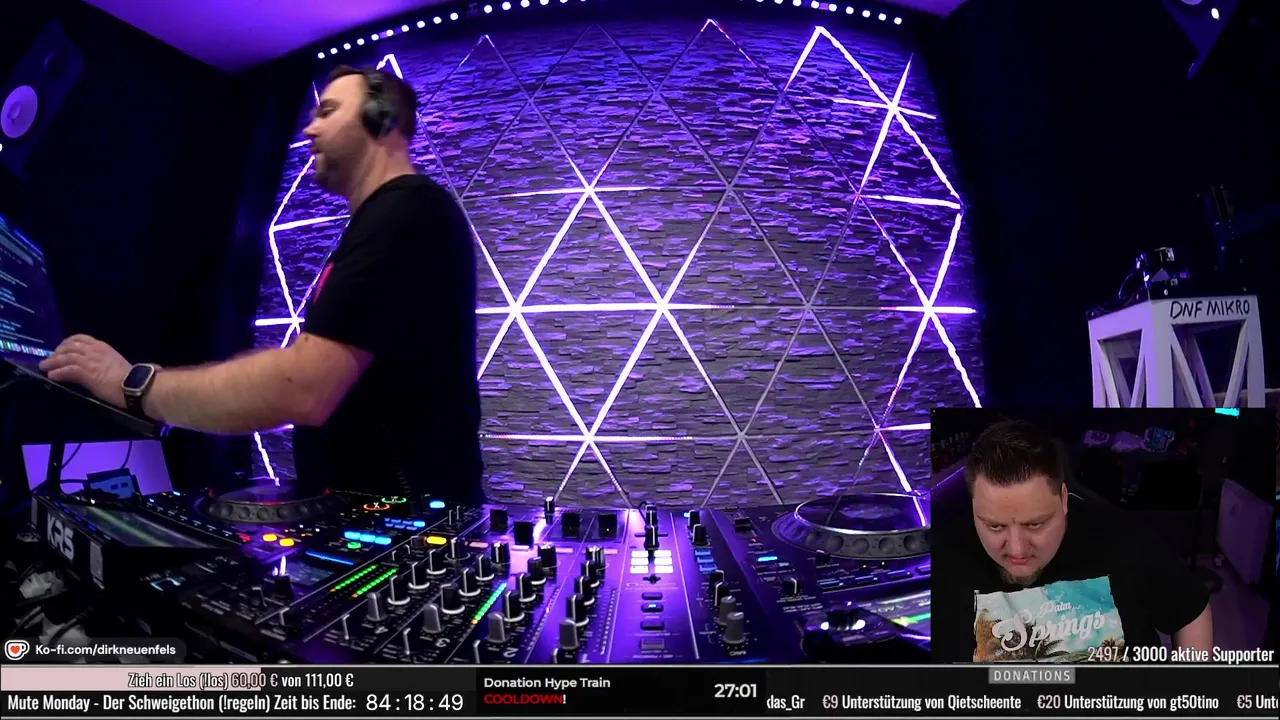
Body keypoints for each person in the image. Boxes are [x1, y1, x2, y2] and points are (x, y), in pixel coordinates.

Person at [38, 66, 484, 503]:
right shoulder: (388, 217)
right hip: (374, 518)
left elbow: (303, 387)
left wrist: (131, 385)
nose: (309, 129)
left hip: (408, 527)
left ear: (383, 120)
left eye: (328, 111)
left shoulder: (405, 211)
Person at [931, 420, 1213, 663]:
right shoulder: (941, 563)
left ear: (1064, 499)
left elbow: (1190, 611)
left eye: (1035, 524)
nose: (1017, 549)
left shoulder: (1122, 536)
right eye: (995, 526)